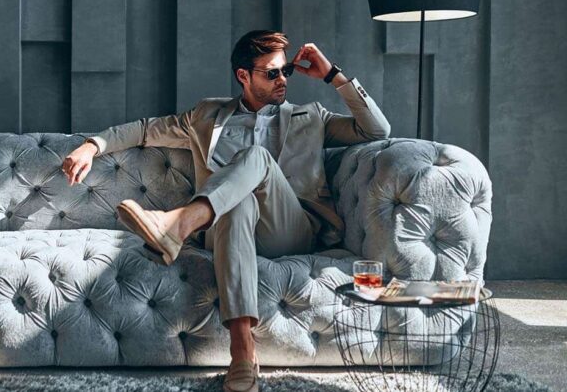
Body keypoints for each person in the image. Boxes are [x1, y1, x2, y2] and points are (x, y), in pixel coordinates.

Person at [61, 30, 390, 392]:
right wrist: (91, 146)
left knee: (255, 157)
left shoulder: (311, 117)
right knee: (237, 202)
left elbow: (376, 130)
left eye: (285, 71)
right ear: (243, 76)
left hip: (290, 229)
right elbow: (144, 130)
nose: (282, 80)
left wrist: (332, 75)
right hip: (226, 230)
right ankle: (243, 353)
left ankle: (177, 224)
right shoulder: (207, 116)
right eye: (272, 73)